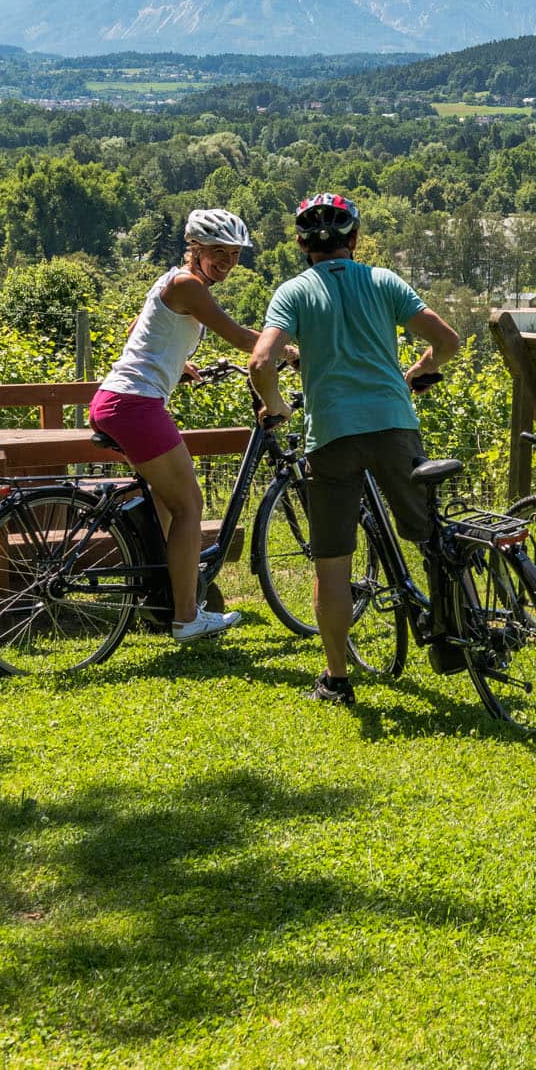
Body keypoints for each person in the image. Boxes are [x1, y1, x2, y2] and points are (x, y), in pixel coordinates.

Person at [247, 192, 462, 706]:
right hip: (393, 424)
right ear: (355, 240)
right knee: (431, 535)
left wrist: (276, 404)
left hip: (333, 438)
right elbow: (448, 340)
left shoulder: (293, 293)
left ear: (302, 244)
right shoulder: (383, 281)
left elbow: (260, 363)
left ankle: (338, 677)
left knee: (333, 563)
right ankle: (456, 633)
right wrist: (417, 372)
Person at [88, 208, 269, 642]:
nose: (226, 262)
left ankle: (164, 596)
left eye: (233, 255)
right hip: (137, 405)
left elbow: (138, 328)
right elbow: (240, 337)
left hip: (117, 399)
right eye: (217, 253)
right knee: (190, 505)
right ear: (195, 249)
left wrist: (176, 360)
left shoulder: (171, 280)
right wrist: (289, 352)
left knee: (169, 505)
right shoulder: (190, 286)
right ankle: (188, 618)